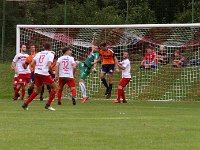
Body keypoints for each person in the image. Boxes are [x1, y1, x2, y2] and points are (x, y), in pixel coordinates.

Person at [22, 42, 57, 111]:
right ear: (50, 48)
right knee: (55, 88)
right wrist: (52, 73)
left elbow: (31, 64)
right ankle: (48, 105)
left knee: (38, 90)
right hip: (44, 73)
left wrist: (39, 68)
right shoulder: (51, 54)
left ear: (43, 47)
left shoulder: (38, 53)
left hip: (37, 73)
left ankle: (25, 104)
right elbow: (49, 65)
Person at [78, 33, 99, 103]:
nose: (94, 48)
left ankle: (84, 97)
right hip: (83, 64)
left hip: (86, 68)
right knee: (74, 62)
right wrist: (94, 37)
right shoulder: (93, 51)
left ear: (98, 49)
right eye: (94, 47)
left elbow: (95, 61)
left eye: (96, 48)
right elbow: (93, 43)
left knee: (81, 81)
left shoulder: (96, 54)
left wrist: (95, 68)